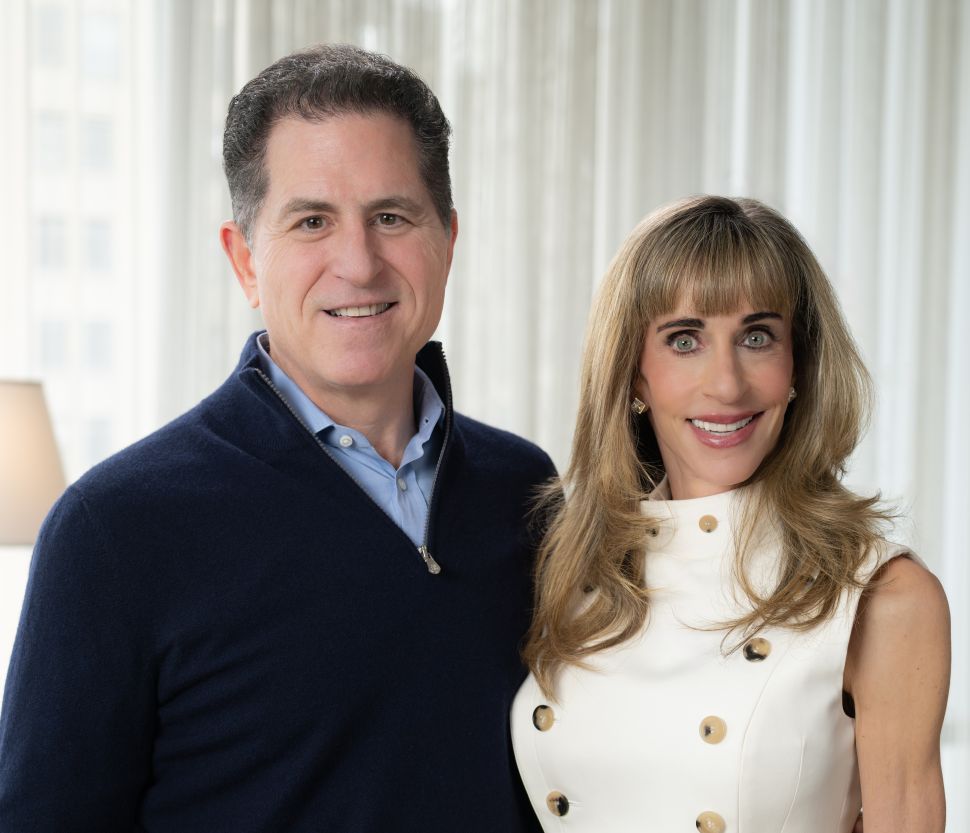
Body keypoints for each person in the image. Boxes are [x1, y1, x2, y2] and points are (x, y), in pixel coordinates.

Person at [0, 45, 553, 832]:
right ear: (244, 260)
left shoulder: (526, 492)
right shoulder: (115, 531)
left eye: (391, 217)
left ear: (448, 240)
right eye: (311, 221)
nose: (357, 262)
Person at [511, 196, 950, 833]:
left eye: (756, 337)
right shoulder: (574, 569)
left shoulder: (882, 595)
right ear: (636, 376)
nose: (727, 385)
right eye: (684, 340)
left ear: (798, 364)